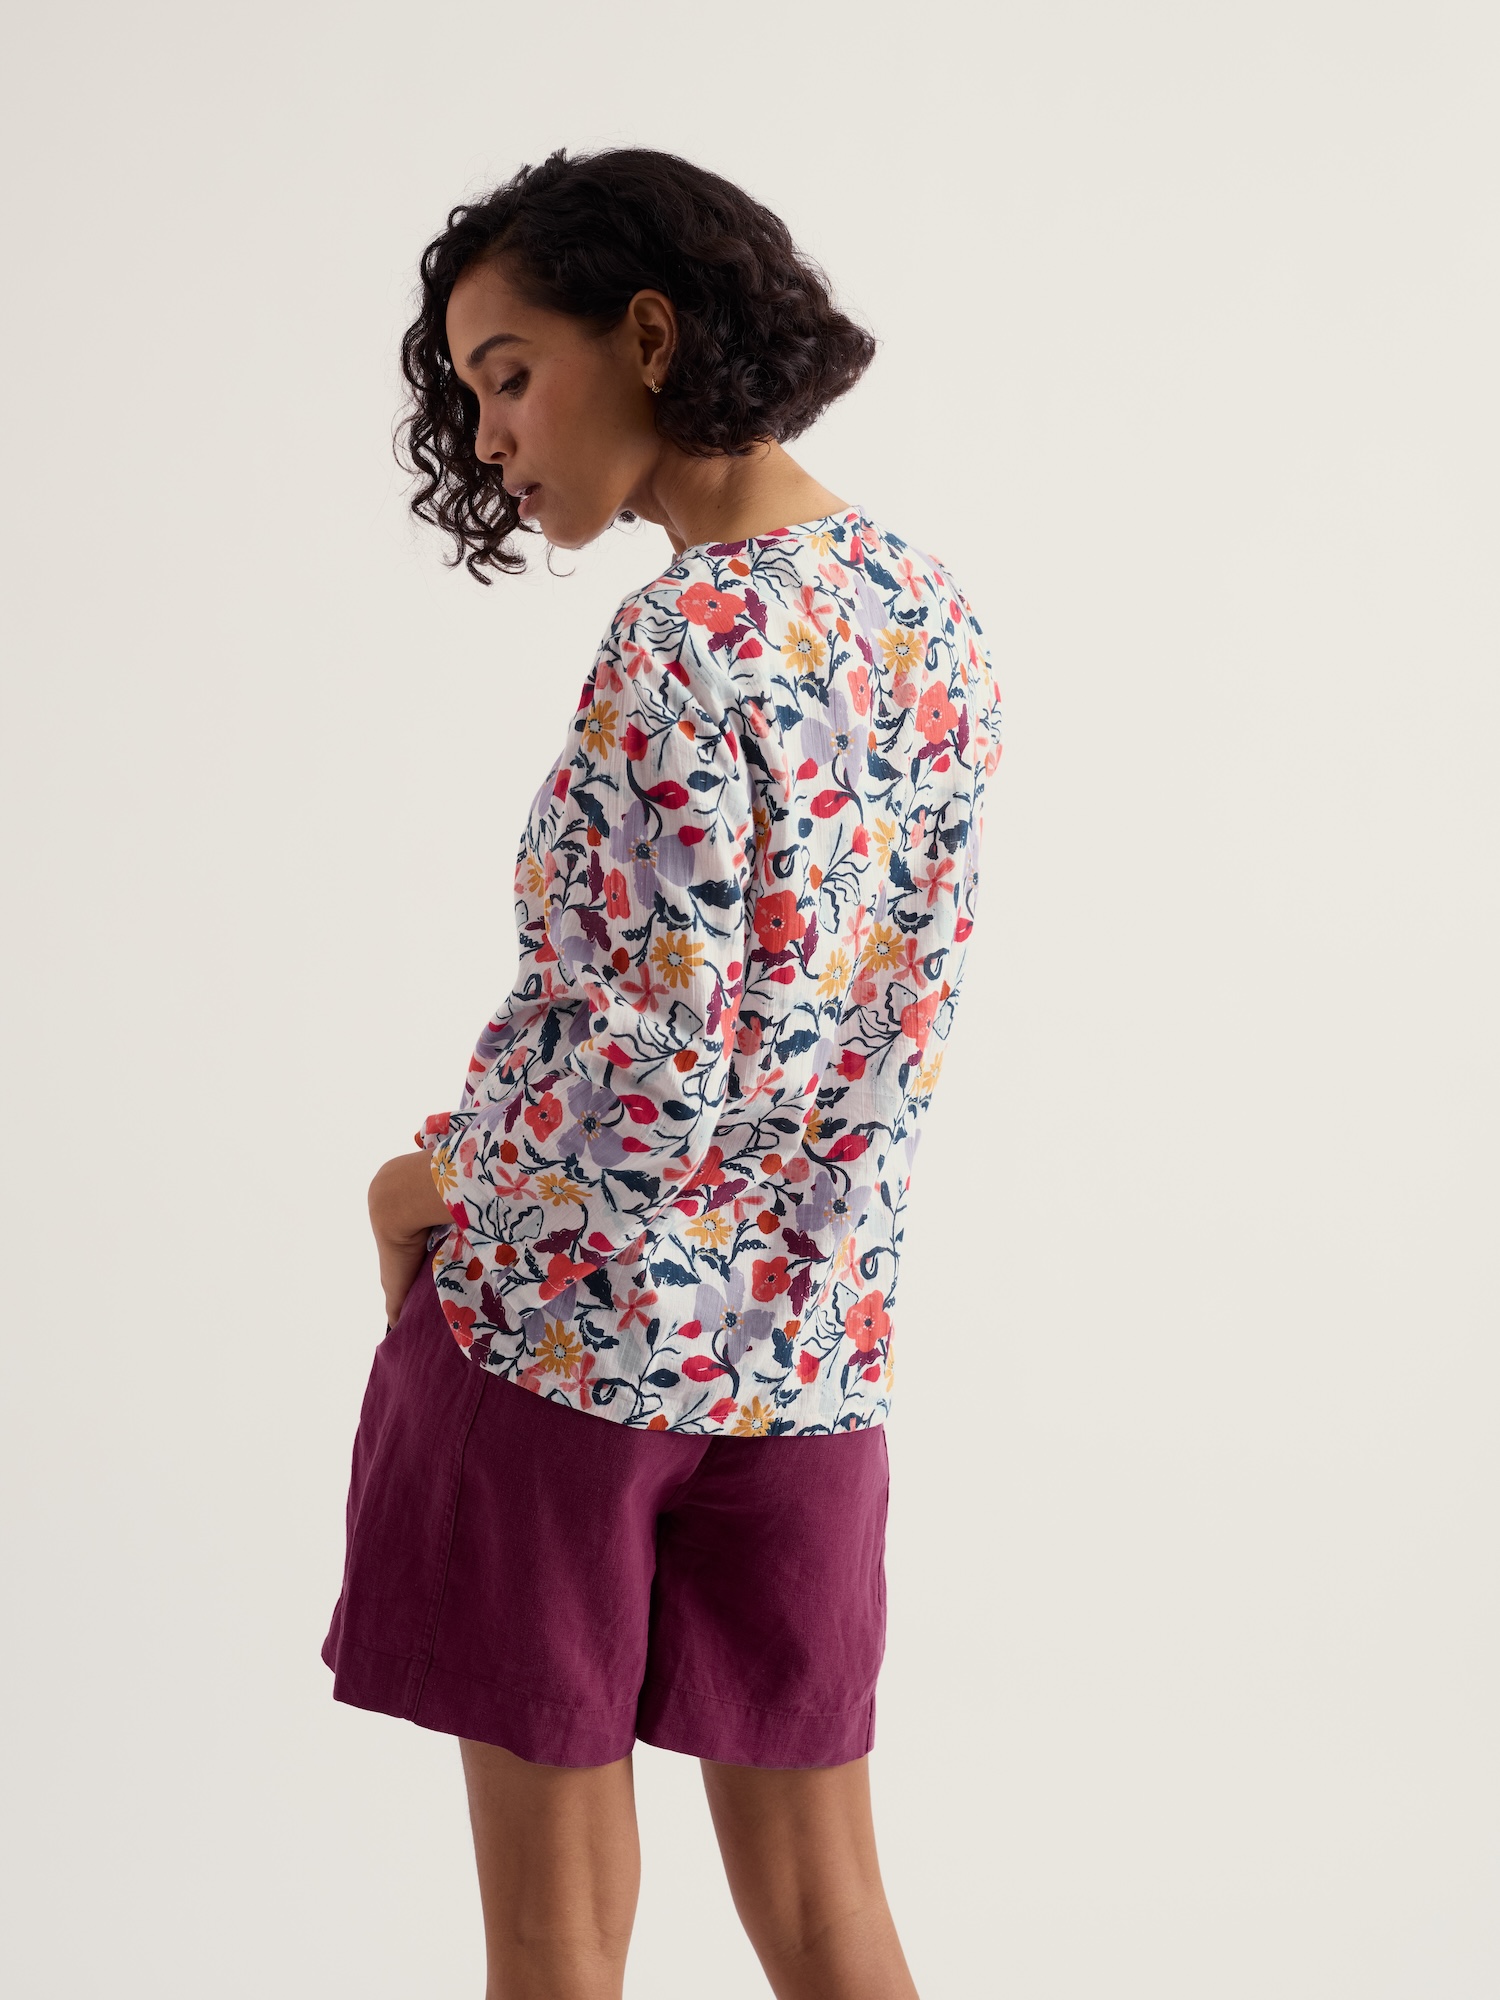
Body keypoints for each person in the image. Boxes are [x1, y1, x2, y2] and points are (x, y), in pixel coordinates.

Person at [322, 146, 1002, 2000]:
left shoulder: (680, 640)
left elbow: (644, 1078)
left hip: (565, 1348)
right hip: (812, 1350)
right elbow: (876, 1009)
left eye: (509, 373)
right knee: (834, 1916)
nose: (488, 436)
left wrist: (426, 1183)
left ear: (647, 333)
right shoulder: (924, 611)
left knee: (556, 1942)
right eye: (468, 396)